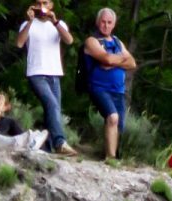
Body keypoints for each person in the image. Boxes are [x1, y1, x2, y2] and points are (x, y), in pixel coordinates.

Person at [16, 0, 80, 157]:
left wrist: (55, 21)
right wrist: (30, 21)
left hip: (54, 73)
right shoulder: (27, 24)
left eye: (44, 3)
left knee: (53, 109)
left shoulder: (58, 24)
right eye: (38, 3)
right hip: (36, 72)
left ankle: (47, 146)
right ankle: (60, 142)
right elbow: (19, 43)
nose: (41, 6)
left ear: (51, 5)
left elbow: (69, 40)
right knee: (51, 103)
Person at [82, 8, 138, 161]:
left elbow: (132, 63)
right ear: (97, 22)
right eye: (103, 22)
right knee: (112, 117)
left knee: (118, 125)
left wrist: (113, 61)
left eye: (109, 22)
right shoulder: (92, 41)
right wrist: (118, 60)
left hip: (118, 90)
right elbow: (106, 59)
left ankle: (110, 154)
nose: (105, 25)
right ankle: (111, 158)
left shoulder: (117, 42)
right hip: (99, 87)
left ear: (114, 24)